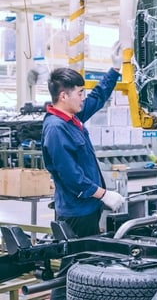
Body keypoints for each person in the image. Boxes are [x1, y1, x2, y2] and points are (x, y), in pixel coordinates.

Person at [42, 42, 125, 239]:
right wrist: (104, 195)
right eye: (80, 93)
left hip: (88, 206)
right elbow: (71, 176)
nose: (83, 98)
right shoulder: (56, 128)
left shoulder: (72, 119)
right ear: (64, 96)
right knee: (76, 261)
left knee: (86, 260)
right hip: (76, 212)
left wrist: (114, 69)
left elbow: (97, 97)